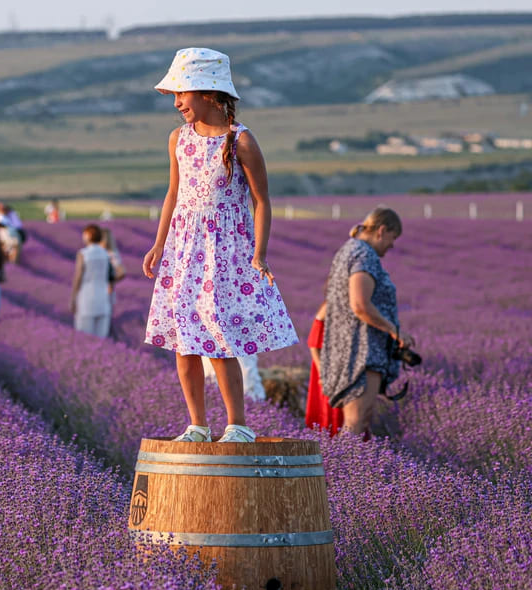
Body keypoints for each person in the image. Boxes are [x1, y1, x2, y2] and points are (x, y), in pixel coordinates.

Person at [143, 48, 298, 443]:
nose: (176, 103)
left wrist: (259, 253)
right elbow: (173, 194)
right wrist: (159, 245)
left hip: (225, 254)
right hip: (183, 250)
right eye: (174, 95)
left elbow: (262, 200)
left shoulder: (241, 140)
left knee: (219, 339)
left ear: (209, 93)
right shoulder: (177, 139)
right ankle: (197, 424)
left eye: (182, 93)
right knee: (184, 342)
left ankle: (237, 425)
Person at [320, 207, 412, 437]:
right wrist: (395, 332)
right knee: (356, 423)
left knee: (358, 421)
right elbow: (360, 305)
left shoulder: (349, 250)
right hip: (361, 352)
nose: (392, 245)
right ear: (381, 231)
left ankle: (344, 468)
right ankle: (342, 470)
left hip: (349, 349)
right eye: (392, 238)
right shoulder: (364, 255)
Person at [305, 301, 345, 436]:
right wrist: (323, 372)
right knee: (331, 409)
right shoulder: (329, 306)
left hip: (344, 364)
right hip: (328, 367)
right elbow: (313, 343)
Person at [70, 224, 112, 338]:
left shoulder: (83, 254)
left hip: (86, 298)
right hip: (103, 299)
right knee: (101, 339)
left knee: (84, 338)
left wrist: (73, 298)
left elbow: (78, 277)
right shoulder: (106, 253)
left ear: (88, 235)